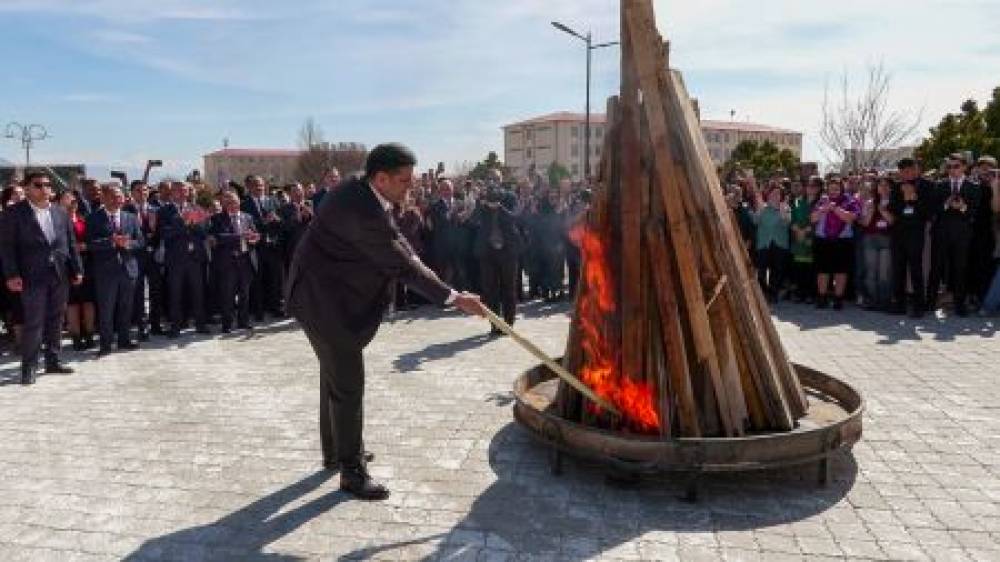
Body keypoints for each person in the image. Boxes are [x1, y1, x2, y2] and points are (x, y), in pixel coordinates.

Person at [286, 143, 484, 500]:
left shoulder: (366, 194)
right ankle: (352, 472)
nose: (411, 187)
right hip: (323, 303)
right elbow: (401, 264)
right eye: (404, 180)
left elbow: (401, 245)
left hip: (323, 296)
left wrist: (447, 287)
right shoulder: (359, 207)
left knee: (334, 378)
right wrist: (454, 299)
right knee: (348, 384)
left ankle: (338, 452)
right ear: (381, 177)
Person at [0, 172, 83, 384]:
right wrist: (11, 274)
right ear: (27, 188)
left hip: (59, 274)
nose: (44, 188)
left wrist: (77, 269)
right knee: (34, 323)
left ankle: (53, 360)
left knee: (56, 320)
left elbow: (70, 244)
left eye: (48, 184)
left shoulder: (60, 212)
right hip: (30, 276)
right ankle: (29, 367)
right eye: (39, 184)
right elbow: (7, 248)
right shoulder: (14, 213)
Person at [86, 183, 144, 355]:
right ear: (103, 198)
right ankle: (105, 344)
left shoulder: (130, 217)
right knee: (106, 308)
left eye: (120, 196)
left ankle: (124, 340)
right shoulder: (93, 218)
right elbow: (90, 244)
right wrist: (110, 242)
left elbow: (140, 241)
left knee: (126, 306)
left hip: (128, 268)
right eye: (113, 196)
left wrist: (128, 243)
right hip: (106, 270)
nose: (117, 199)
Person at [927, 154, 980, 316]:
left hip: (962, 235)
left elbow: (975, 212)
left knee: (960, 269)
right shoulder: (940, 185)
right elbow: (932, 210)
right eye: (949, 167)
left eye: (956, 166)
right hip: (941, 233)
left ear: (964, 167)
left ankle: (959, 305)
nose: (952, 170)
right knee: (936, 268)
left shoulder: (974, 186)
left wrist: (963, 207)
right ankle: (929, 303)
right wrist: (946, 204)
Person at [158, 181, 210, 337]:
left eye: (184, 190)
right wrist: (183, 222)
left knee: (198, 292)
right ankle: (175, 326)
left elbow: (204, 232)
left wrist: (194, 224)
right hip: (175, 259)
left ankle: (200, 324)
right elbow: (163, 233)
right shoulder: (164, 210)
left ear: (188, 192)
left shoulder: (196, 208)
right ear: (171, 193)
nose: (181, 193)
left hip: (194, 257)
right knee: (175, 293)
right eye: (177, 190)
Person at [208, 192, 259, 333]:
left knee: (245, 294)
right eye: (228, 202)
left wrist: (254, 239)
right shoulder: (217, 219)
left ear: (239, 202)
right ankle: (227, 324)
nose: (231, 204)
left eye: (234, 201)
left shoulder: (248, 217)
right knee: (227, 295)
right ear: (224, 204)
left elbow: (254, 234)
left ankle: (243, 321)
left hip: (245, 260)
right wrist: (239, 236)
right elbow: (219, 237)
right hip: (227, 263)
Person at [474, 188, 521, 335]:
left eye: (494, 201)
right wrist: (483, 206)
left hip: (508, 253)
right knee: (490, 290)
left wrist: (500, 208)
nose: (492, 204)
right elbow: (473, 220)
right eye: (490, 201)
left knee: (509, 289)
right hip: (488, 254)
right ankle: (494, 323)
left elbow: (515, 218)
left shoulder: (509, 200)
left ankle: (508, 322)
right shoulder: (482, 209)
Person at [811, 176, 860, 310]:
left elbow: (851, 219)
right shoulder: (822, 200)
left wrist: (836, 209)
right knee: (822, 270)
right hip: (823, 240)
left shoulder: (850, 200)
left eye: (836, 189)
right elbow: (813, 218)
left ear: (841, 189)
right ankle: (822, 297)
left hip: (842, 240)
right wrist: (824, 209)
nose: (833, 191)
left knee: (841, 270)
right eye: (830, 188)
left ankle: (838, 298)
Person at [124, 180, 163, 339]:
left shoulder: (156, 209)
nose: (143, 193)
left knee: (156, 291)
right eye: (139, 190)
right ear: (132, 193)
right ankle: (142, 326)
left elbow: (161, 231)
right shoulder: (126, 211)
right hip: (136, 256)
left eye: (145, 190)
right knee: (138, 293)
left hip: (153, 256)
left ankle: (155, 324)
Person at [242, 176, 285, 320]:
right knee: (257, 280)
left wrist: (278, 220)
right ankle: (258, 310)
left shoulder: (272, 201)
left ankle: (275, 308)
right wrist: (263, 222)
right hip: (256, 248)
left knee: (274, 279)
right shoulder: (245, 204)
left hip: (272, 246)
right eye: (255, 185)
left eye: (261, 185)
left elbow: (282, 221)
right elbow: (246, 224)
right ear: (249, 188)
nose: (259, 188)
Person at [890, 180, 931, 317]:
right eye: (904, 188)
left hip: (915, 239)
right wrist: (904, 201)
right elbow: (893, 212)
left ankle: (919, 306)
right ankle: (899, 304)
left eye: (909, 187)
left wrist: (914, 201)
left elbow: (927, 214)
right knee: (898, 270)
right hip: (899, 238)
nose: (905, 189)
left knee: (916, 271)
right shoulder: (897, 197)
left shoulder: (920, 199)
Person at [859, 177, 895, 310]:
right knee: (871, 271)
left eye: (886, 185)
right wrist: (871, 210)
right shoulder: (870, 202)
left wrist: (882, 210)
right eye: (880, 185)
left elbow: (892, 221)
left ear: (891, 187)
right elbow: (864, 223)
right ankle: (872, 300)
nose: (883, 188)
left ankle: (884, 301)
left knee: (884, 273)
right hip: (870, 238)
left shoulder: (895, 201)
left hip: (887, 239)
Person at [752, 187, 791, 303]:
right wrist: (759, 210)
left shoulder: (786, 207)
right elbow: (755, 221)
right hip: (764, 243)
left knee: (777, 270)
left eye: (778, 194)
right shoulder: (762, 207)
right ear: (768, 195)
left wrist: (781, 211)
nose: (775, 196)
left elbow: (786, 222)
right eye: (773, 193)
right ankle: (763, 293)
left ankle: (773, 293)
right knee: (761, 269)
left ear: (781, 196)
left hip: (779, 243)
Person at [790, 177, 820, 303]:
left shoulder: (820, 203)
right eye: (808, 185)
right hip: (798, 237)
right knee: (798, 266)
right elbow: (792, 217)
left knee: (811, 267)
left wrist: (806, 230)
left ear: (819, 188)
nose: (810, 188)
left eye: (813, 186)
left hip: (813, 237)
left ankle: (810, 293)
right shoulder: (797, 201)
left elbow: (818, 220)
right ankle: (800, 292)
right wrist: (796, 229)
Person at [278, 183, 314, 272]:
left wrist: (311, 215)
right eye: (295, 191)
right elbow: (284, 227)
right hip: (292, 248)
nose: (298, 193)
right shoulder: (284, 208)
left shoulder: (310, 204)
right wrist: (297, 218)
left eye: (300, 190)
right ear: (290, 194)